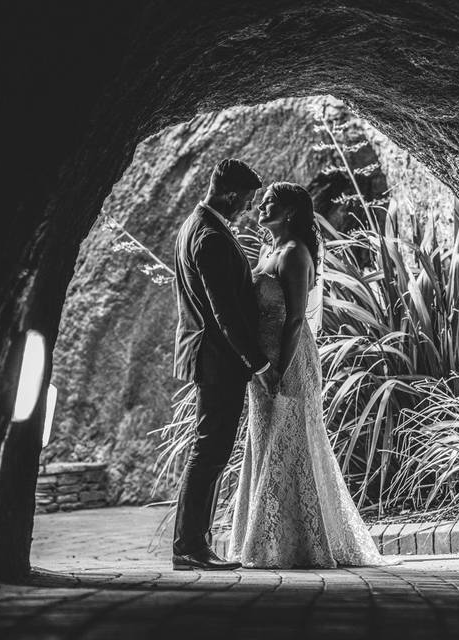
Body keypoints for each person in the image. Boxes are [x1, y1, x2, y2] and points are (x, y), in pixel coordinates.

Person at [228, 182, 396, 568]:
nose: (261, 207)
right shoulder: (269, 251)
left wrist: (280, 371)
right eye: (262, 201)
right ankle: (270, 540)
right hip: (262, 363)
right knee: (266, 442)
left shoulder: (294, 253)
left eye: (270, 202)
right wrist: (257, 364)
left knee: (292, 441)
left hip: (288, 359)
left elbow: (295, 319)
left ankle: (300, 542)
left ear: (289, 212)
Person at [171, 159, 280, 571]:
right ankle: (189, 548)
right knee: (209, 451)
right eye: (248, 199)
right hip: (218, 359)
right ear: (232, 194)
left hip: (209, 356)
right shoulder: (210, 236)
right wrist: (257, 363)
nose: (249, 207)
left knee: (209, 449)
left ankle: (192, 545)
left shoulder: (194, 226)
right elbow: (224, 314)